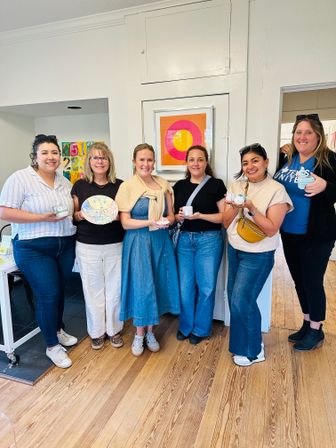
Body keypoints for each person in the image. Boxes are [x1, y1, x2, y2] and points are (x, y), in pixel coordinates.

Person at [0, 134, 77, 368]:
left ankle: (57, 328)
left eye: (54, 153)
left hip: (64, 244)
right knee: (48, 294)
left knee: (59, 291)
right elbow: (4, 211)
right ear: (35, 156)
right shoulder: (20, 179)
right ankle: (52, 345)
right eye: (45, 153)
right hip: (33, 247)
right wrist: (40, 217)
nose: (50, 157)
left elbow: (71, 209)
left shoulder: (64, 181)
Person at [223, 143, 292, 366]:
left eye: (255, 161)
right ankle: (242, 345)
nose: (250, 166)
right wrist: (235, 205)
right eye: (245, 163)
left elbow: (272, 228)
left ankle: (254, 350)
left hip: (259, 255)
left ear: (266, 162)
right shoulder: (236, 185)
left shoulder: (276, 190)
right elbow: (225, 222)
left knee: (243, 299)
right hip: (234, 249)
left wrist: (251, 207)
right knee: (235, 297)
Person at [274, 114, 336, 351]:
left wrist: (326, 187)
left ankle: (316, 330)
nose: (302, 137)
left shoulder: (329, 160)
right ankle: (307, 321)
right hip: (289, 232)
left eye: (308, 132)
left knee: (312, 281)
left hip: (317, 234)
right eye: (298, 132)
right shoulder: (289, 159)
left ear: (318, 136)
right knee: (299, 280)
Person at [115, 143, 180, 356]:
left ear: (154, 162)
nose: (146, 163)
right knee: (142, 286)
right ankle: (139, 334)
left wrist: (165, 222)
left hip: (160, 240)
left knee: (159, 284)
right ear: (134, 162)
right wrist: (151, 222)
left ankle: (151, 331)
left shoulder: (163, 185)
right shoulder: (127, 187)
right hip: (138, 241)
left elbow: (171, 216)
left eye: (150, 159)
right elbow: (125, 222)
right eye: (141, 159)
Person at [71, 142, 125, 350]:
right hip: (87, 245)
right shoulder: (80, 185)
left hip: (115, 243)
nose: (99, 161)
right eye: (95, 157)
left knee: (115, 289)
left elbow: (124, 214)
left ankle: (115, 330)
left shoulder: (120, 185)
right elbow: (74, 215)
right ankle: (96, 332)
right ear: (89, 162)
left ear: (109, 161)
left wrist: (115, 217)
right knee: (92, 289)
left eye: (103, 157)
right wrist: (81, 215)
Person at [173, 145, 225, 345]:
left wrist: (201, 215)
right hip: (185, 240)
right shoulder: (178, 186)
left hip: (209, 240)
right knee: (185, 287)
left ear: (206, 162)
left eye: (200, 159)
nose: (196, 163)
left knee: (206, 287)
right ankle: (185, 326)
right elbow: (173, 215)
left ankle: (201, 329)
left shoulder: (216, 185)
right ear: (187, 163)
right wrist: (177, 217)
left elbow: (224, 217)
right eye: (192, 159)